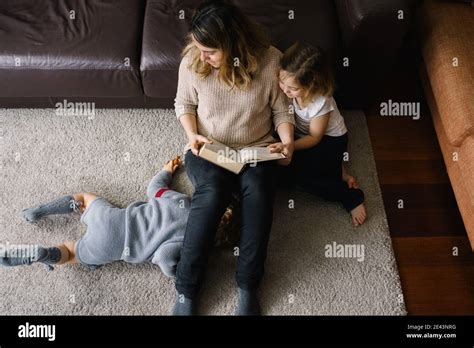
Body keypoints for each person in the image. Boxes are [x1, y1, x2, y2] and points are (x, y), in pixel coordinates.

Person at [173, 0, 295, 315]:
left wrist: (287, 141)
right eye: (199, 48)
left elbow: (282, 109)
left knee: (260, 195)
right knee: (211, 193)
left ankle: (247, 285)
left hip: (256, 147)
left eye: (210, 51)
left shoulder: (270, 61)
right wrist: (192, 135)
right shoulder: (192, 62)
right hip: (209, 147)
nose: (202, 56)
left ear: (233, 44)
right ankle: (186, 290)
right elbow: (183, 103)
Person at [0, 157, 235, 276]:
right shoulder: (189, 244)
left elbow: (154, 189)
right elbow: (164, 258)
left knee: (83, 198)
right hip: (114, 247)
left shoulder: (184, 203)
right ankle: (48, 254)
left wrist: (165, 171)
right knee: (71, 252)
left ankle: (40, 211)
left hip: (113, 219)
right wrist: (176, 271)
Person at [272, 42, 367, 227]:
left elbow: (315, 137)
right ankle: (337, 171)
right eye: (281, 82)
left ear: (312, 85)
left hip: (328, 140)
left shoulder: (321, 102)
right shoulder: (287, 86)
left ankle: (350, 196)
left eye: (292, 88)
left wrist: (290, 147)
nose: (284, 89)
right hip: (301, 136)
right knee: (276, 168)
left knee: (304, 178)